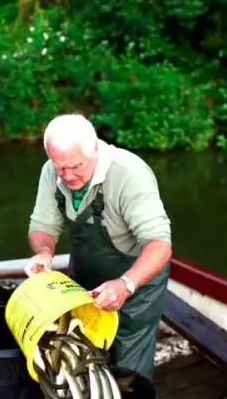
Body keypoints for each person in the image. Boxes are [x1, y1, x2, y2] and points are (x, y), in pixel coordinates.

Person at [24, 113, 173, 380]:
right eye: (60, 167)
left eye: (76, 166)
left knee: (130, 369)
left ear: (95, 150)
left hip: (135, 280)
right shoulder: (51, 170)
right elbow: (42, 226)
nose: (67, 175)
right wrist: (44, 252)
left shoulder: (129, 174)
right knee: (82, 354)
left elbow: (160, 244)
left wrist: (125, 285)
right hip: (85, 280)